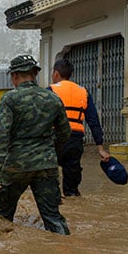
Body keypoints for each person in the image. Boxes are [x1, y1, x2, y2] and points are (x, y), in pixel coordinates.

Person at [0, 55, 71, 235]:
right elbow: (65, 132)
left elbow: (0, 136)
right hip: (46, 164)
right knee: (53, 217)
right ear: (34, 74)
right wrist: (49, 152)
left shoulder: (10, 98)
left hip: (16, 165)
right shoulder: (53, 99)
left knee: (3, 216)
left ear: (15, 75)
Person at [48, 58, 111, 197]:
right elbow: (93, 120)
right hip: (75, 141)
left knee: (48, 179)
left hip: (55, 139)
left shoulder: (50, 90)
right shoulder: (83, 92)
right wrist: (100, 148)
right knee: (72, 185)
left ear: (56, 73)